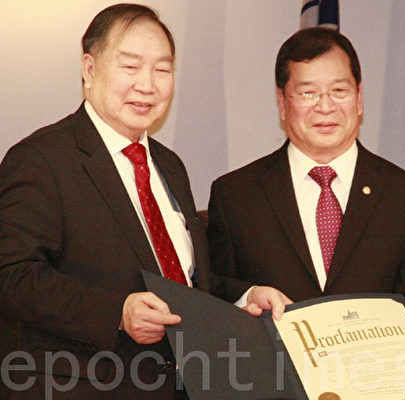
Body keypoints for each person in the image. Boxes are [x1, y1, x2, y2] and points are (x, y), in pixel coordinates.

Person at [0, 4, 288, 399]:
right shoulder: (41, 160)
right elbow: (12, 276)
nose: (147, 84)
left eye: (162, 69)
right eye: (130, 67)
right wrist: (116, 313)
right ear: (89, 69)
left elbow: (183, 283)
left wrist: (245, 296)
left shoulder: (169, 166)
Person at [207, 27, 405, 325]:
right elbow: (213, 291)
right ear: (282, 103)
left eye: (339, 91)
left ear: (359, 98)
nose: (325, 107)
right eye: (308, 93)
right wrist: (248, 295)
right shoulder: (235, 196)